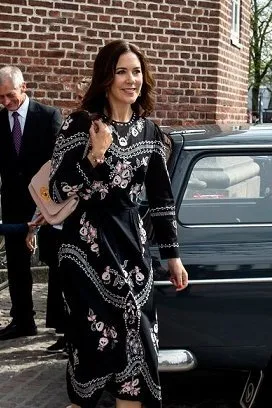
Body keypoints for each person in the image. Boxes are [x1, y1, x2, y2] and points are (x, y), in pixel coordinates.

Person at [48, 40, 188, 408]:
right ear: (106, 77)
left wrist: (172, 257)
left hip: (133, 252)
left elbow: (161, 200)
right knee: (92, 358)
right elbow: (57, 189)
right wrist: (95, 154)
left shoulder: (151, 133)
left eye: (137, 71)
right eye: (122, 71)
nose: (131, 80)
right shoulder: (81, 124)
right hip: (86, 252)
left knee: (138, 363)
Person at [0, 65, 62, 341]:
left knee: (57, 261)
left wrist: (45, 205)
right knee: (16, 264)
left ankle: (64, 328)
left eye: (10, 96)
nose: (6, 103)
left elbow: (58, 162)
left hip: (47, 201)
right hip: (13, 202)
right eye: (1, 98)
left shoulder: (48, 116)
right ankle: (23, 320)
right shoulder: (0, 120)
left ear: (24, 87)